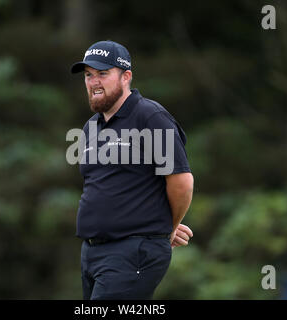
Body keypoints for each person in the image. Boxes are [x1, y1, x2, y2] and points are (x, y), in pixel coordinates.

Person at [70, 40, 194, 300]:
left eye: (102, 74)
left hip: (133, 252)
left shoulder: (149, 116)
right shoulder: (90, 128)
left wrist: (167, 227)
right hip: (92, 254)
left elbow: (181, 181)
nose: (94, 82)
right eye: (88, 75)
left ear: (126, 76)